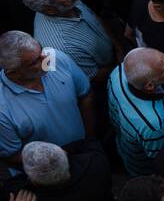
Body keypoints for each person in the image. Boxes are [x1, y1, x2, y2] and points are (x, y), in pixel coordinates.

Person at [0, 31, 94, 172]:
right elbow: (11, 156)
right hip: (46, 174)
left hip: (85, 152)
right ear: (13, 71)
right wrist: (57, 163)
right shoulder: (2, 106)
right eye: (34, 62)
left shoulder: (56, 58)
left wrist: (90, 140)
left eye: (41, 51)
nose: (46, 59)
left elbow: (86, 96)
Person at [23, 0, 116, 85]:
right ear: (50, 10)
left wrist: (118, 47)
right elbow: (94, 77)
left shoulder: (67, 3)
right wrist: (121, 65)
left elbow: (95, 19)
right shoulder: (62, 47)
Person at [106, 47, 164, 176]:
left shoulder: (120, 72)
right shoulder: (153, 125)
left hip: (123, 146)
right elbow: (160, 159)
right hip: (143, 169)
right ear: (149, 86)